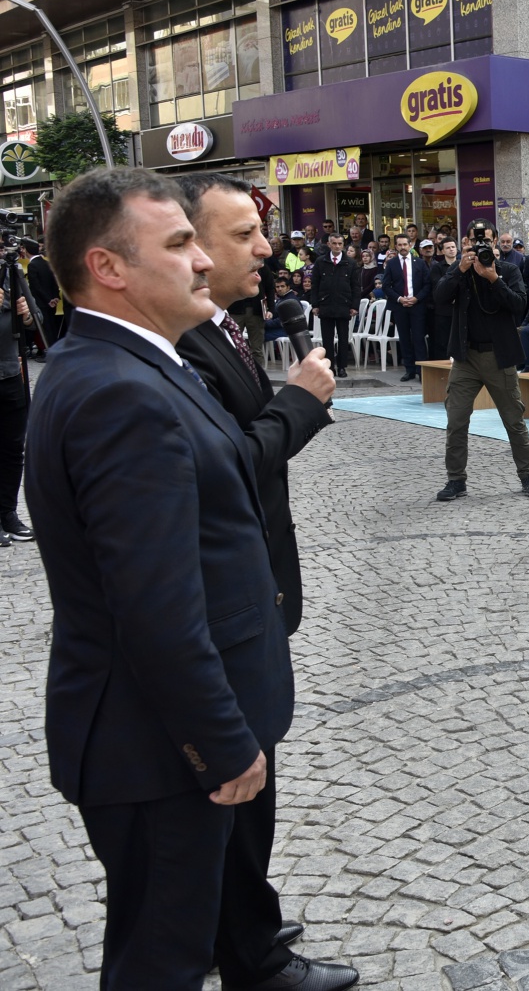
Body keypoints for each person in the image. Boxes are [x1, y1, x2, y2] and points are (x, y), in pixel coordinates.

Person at [25, 167, 358, 991]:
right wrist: (217, 744)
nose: (205, 262)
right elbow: (156, 609)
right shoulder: (119, 392)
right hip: (157, 748)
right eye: (178, 244)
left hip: (159, 737)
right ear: (109, 268)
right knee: (159, 963)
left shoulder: (137, 365)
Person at [173, 173, 342, 991]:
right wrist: (301, 403)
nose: (267, 248)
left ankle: (239, 915)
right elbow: (230, 472)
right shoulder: (181, 349)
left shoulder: (228, 325)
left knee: (249, 792)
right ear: (192, 246)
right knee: (240, 786)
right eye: (245, 234)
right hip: (226, 610)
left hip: (257, 590)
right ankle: (251, 953)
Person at [433, 243, 529, 500]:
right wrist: (459, 270)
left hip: (499, 356)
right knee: (456, 420)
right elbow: (439, 298)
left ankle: (527, 475)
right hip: (466, 358)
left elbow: (519, 306)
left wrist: (493, 278)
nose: (480, 251)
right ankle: (456, 480)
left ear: (494, 245)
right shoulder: (459, 269)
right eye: (473, 243)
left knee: (514, 420)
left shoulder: (509, 270)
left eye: (486, 243)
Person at [0, 252, 34, 545]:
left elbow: (35, 323)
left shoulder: (11, 275)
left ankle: (8, 514)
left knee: (13, 450)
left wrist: (25, 314)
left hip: (11, 374)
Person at [310, 234, 358, 377]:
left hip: (344, 304)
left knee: (343, 338)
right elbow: (315, 285)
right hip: (326, 304)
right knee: (327, 339)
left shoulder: (350, 263)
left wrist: (354, 306)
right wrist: (315, 304)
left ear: (343, 245)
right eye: (334, 243)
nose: (337, 246)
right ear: (329, 244)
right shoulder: (321, 262)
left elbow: (355, 286)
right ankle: (330, 366)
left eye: (340, 243)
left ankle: (342, 366)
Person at [384, 234, 430, 381]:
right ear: (396, 246)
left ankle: (421, 370)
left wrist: (416, 298)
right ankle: (409, 370)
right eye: (400, 245)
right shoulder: (391, 264)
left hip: (417, 306)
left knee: (418, 338)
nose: (403, 247)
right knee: (404, 339)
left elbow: (427, 284)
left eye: (405, 244)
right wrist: (399, 299)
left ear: (410, 245)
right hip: (400, 306)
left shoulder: (420, 263)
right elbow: (386, 286)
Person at [429, 238, 458, 359]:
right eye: (448, 247)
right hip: (443, 312)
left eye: (453, 247)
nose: (451, 250)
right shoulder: (437, 268)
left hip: (460, 311)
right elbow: (438, 288)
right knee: (442, 342)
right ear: (442, 251)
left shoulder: (464, 265)